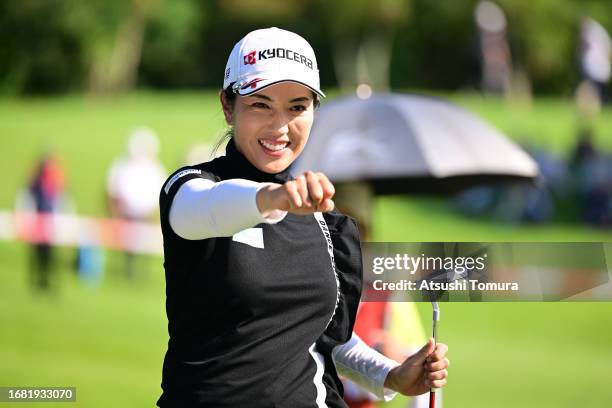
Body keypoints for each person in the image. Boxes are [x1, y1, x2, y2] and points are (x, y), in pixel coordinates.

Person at [156, 27, 449, 408]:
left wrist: (390, 375)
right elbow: (206, 210)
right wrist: (273, 197)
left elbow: (326, 337)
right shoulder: (192, 187)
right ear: (228, 106)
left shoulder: (326, 220)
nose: (280, 127)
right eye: (261, 104)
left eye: (297, 107)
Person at [106, 127, 166, 278]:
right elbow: (113, 189)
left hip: (145, 214)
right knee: (129, 244)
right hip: (127, 213)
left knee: (143, 243)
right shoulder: (121, 166)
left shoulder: (154, 167)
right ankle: (130, 270)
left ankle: (139, 271)